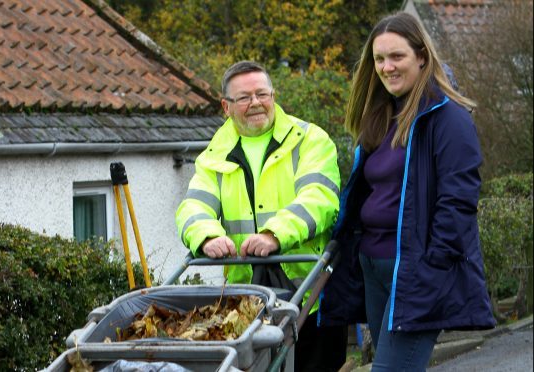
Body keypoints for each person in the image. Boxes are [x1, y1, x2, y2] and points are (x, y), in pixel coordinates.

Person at [318, 11, 495, 371]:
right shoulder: (381, 115)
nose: (387, 67)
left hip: (415, 272)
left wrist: (431, 269)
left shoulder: (448, 117)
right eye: (379, 59)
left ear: (422, 57)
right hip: (373, 267)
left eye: (397, 56)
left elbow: (458, 203)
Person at [176, 61, 347, 371]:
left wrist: (274, 234)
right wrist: (207, 235)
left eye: (262, 94)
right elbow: (193, 206)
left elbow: (320, 198)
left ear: (274, 96)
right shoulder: (215, 154)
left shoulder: (310, 139)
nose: (255, 103)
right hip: (248, 303)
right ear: (225, 107)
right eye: (244, 98)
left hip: (309, 293)